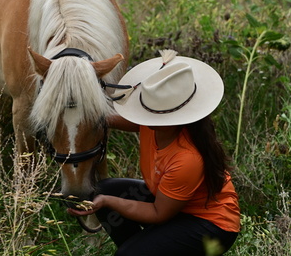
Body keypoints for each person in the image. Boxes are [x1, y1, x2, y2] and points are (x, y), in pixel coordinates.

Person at [68, 50, 240, 256]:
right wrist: (84, 113)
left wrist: (107, 202)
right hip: (172, 205)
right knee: (105, 190)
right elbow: (118, 119)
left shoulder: (187, 158)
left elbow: (158, 213)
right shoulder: (157, 124)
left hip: (211, 226)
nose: (144, 117)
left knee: (125, 249)